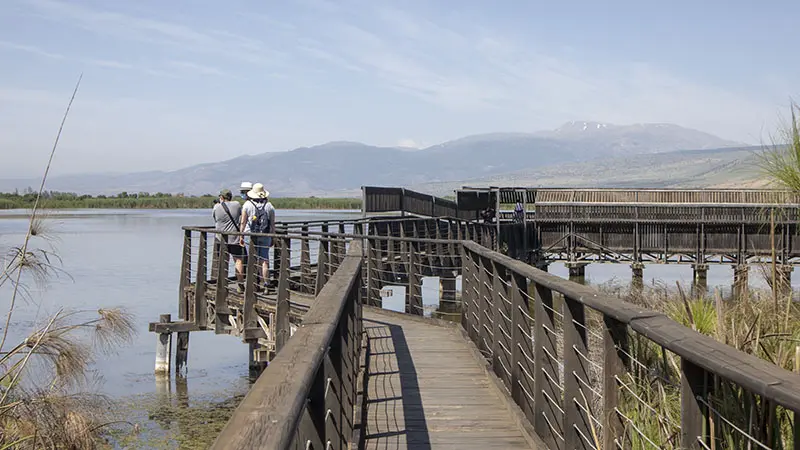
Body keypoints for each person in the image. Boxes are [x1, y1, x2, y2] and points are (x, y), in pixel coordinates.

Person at [240, 183, 276, 290]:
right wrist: (273, 236)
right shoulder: (269, 206)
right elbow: (272, 224)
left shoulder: (247, 205)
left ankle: (253, 285)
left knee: (252, 259)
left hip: (249, 235)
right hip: (265, 235)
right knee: (264, 260)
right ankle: (266, 284)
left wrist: (241, 235)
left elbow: (243, 222)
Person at [212, 189, 246, 292]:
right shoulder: (237, 204)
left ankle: (223, 284)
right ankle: (240, 284)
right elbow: (241, 216)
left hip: (220, 238)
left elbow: (215, 218)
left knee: (223, 261)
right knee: (238, 261)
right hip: (235, 237)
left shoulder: (216, 207)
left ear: (221, 197)